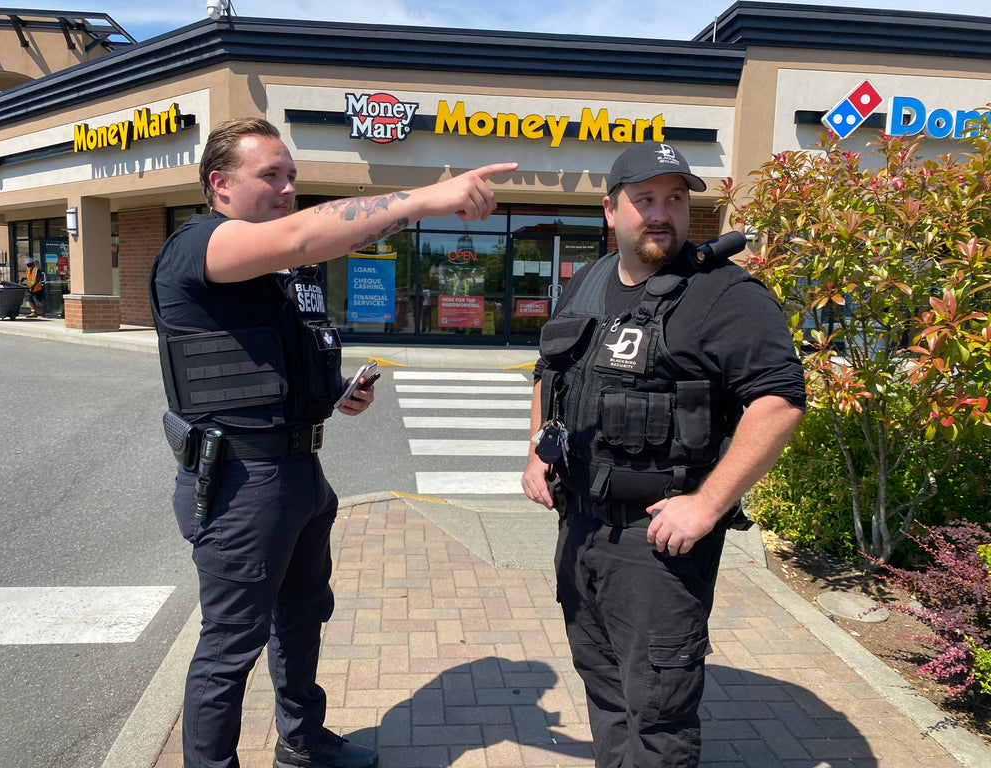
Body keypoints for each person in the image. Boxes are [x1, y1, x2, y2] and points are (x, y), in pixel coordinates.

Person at [150, 116, 516, 768]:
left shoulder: (286, 272)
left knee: (302, 615)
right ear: (219, 183)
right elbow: (304, 234)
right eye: (271, 175)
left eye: (291, 175)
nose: (288, 188)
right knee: (230, 644)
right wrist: (432, 196)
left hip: (299, 474)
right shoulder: (200, 247)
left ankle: (302, 739)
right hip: (240, 484)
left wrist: (337, 391)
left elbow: (277, 360)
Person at [521, 141, 805, 768]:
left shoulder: (725, 295)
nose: (661, 213)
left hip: (659, 545)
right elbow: (549, 369)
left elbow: (779, 402)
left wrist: (707, 505)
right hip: (581, 526)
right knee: (603, 683)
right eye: (644, 199)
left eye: (675, 199)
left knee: (658, 709)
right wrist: (539, 447)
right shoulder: (588, 281)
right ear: (609, 210)